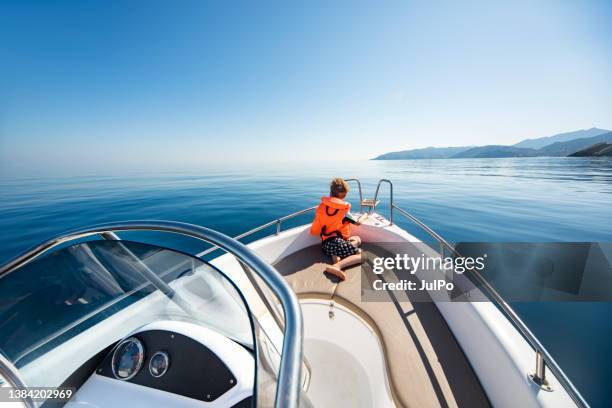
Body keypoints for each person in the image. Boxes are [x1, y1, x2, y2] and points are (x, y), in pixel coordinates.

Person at [310, 178, 368, 281]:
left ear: (331, 192)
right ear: (344, 195)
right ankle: (337, 266)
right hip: (335, 242)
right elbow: (358, 223)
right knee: (363, 256)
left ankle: (335, 255)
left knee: (357, 239)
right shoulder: (344, 211)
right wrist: (365, 216)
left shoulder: (321, 207)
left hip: (325, 245)